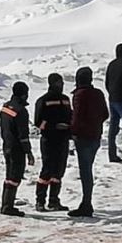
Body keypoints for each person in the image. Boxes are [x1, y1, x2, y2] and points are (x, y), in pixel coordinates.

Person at [69, 66, 109, 217]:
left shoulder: (80, 95)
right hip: (96, 136)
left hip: (83, 137)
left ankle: (86, 203)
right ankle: (86, 202)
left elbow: (77, 117)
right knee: (88, 169)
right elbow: (105, 114)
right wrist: (95, 123)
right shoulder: (98, 93)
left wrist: (72, 131)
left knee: (85, 171)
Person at [33, 73, 72, 212]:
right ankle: (40, 201)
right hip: (49, 140)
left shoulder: (66, 99)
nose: (61, 85)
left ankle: (54, 200)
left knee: (59, 171)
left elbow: (70, 116)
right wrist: (54, 126)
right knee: (47, 170)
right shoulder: (43, 100)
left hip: (63, 140)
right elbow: (38, 122)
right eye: (58, 83)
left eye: (62, 82)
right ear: (51, 83)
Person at [0, 81, 35, 217]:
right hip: (16, 149)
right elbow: (23, 135)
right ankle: (8, 206)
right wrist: (29, 152)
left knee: (9, 176)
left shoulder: (5, 107)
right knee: (15, 177)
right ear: (24, 94)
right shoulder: (21, 111)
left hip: (7, 145)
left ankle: (6, 204)